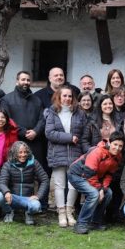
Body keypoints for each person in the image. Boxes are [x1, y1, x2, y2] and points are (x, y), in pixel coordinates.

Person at [67, 133, 124, 234]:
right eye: (115, 144)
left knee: (108, 193)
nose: (117, 148)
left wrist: (104, 188)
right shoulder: (97, 152)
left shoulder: (117, 156)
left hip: (93, 177)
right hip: (77, 174)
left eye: (120, 146)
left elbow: (109, 174)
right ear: (110, 143)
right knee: (94, 194)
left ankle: (95, 222)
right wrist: (99, 189)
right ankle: (81, 224)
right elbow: (89, 173)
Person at [45, 87, 86, 227]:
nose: (67, 98)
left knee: (73, 184)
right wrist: (69, 137)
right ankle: (61, 213)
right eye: (64, 96)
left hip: (75, 154)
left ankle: (69, 211)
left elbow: (84, 133)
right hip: (57, 153)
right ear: (59, 97)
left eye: (70, 96)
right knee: (59, 185)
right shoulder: (52, 112)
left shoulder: (79, 113)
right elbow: (49, 133)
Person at [0, 71, 47, 181]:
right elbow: (7, 120)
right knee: (16, 175)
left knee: (37, 175)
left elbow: (43, 118)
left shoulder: (37, 100)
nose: (26, 82)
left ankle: (37, 198)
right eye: (23, 79)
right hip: (16, 141)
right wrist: (24, 132)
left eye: (28, 80)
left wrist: (35, 131)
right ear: (17, 82)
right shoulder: (7, 99)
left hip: (36, 142)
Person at [0, 141, 49, 225]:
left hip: (28, 199)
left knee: (36, 206)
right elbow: (2, 182)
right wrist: (6, 192)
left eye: (25, 152)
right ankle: (9, 212)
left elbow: (45, 179)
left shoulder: (34, 163)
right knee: (0, 196)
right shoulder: (8, 165)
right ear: (14, 153)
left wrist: (38, 196)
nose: (23, 155)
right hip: (13, 198)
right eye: (20, 152)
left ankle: (29, 214)